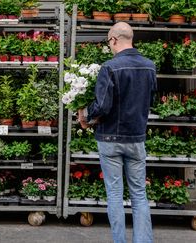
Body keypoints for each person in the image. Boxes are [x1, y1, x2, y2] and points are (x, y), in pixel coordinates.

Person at [78, 22, 156, 243]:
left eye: (108, 41)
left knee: (114, 194)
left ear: (113, 39)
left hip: (110, 138)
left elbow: (102, 106)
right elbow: (150, 100)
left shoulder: (109, 67)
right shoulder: (149, 66)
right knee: (139, 194)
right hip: (136, 138)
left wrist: (85, 114)